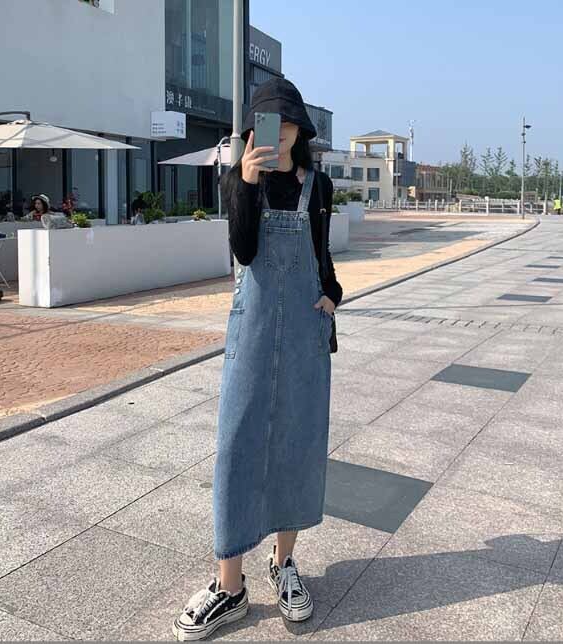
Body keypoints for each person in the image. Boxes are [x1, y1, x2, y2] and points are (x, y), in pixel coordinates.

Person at [172, 78, 342, 641]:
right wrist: (245, 182)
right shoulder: (237, 179)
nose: (281, 130)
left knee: (297, 441)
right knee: (237, 443)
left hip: (304, 330)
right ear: (253, 129)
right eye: (270, 121)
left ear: (301, 127)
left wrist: (332, 294)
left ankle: (284, 562)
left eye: (289, 120)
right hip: (252, 331)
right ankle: (230, 586)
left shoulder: (319, 185)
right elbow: (243, 250)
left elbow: (322, 254)